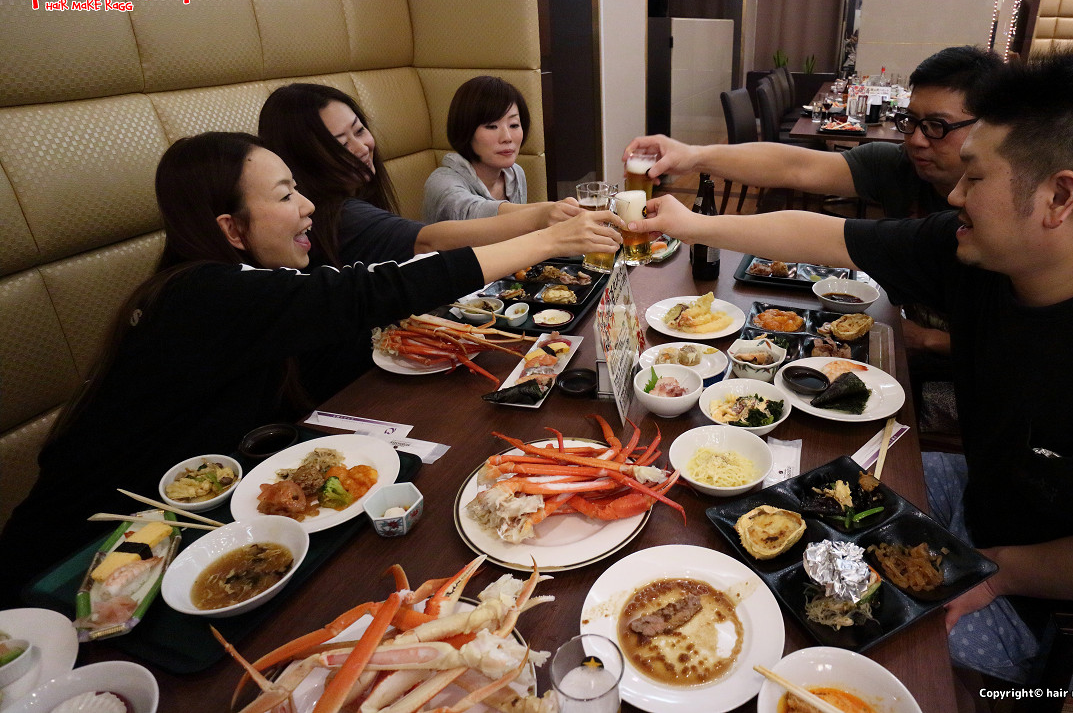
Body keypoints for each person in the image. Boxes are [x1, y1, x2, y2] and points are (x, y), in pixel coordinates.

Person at [636, 54, 1073, 688]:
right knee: (763, 512)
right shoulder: (987, 254)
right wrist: (692, 223)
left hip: (1069, 615)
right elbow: (827, 235)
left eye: (975, 177)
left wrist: (997, 572)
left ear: (1059, 197)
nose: (954, 194)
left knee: (812, 634)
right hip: (987, 501)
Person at [0, 132, 621, 603]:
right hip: (71, 569)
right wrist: (546, 241)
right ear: (230, 228)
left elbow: (355, 304)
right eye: (284, 196)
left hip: (193, 530)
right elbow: (371, 290)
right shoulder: (201, 295)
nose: (306, 208)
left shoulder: (245, 285)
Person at [624, 45, 1003, 359]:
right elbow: (795, 166)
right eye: (911, 121)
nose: (917, 139)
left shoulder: (1002, 220)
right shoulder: (902, 167)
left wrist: (932, 341)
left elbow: (1023, 346)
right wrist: (693, 155)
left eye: (937, 126)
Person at [258, 83, 581, 268]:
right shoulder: (343, 216)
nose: (361, 147)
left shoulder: (515, 173)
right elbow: (432, 239)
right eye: (342, 143)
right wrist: (545, 222)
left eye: (360, 130)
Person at [422, 76, 570, 225]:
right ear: (465, 129)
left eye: (514, 125)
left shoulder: (515, 174)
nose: (507, 137)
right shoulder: (441, 182)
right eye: (492, 126)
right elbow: (472, 214)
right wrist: (546, 210)